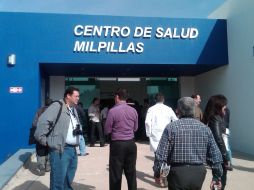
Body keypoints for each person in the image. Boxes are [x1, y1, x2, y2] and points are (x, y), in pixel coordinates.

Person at [153, 97, 224, 190]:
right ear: (194, 110)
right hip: (198, 173)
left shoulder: (171, 127)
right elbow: (215, 156)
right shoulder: (205, 129)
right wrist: (216, 176)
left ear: (178, 110)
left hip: (177, 173)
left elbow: (160, 154)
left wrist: (157, 173)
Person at [35, 86, 81, 190]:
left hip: (72, 150)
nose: (78, 98)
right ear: (68, 96)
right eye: (76, 96)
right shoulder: (57, 106)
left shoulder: (74, 109)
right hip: (60, 150)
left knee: (68, 181)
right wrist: (46, 141)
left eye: (79, 96)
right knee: (58, 183)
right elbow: (42, 122)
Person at [104, 88, 138, 190]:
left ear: (117, 97)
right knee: (131, 173)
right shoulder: (133, 110)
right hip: (131, 144)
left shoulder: (113, 111)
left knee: (116, 174)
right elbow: (135, 128)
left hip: (117, 144)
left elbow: (107, 130)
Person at [203, 94, 231, 190]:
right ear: (218, 106)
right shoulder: (215, 118)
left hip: (215, 154)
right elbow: (218, 138)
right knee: (220, 181)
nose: (226, 107)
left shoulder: (211, 117)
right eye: (224, 105)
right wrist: (226, 156)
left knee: (218, 179)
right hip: (218, 154)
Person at [32, 98, 52, 176]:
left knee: (40, 151)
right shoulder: (53, 112)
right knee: (49, 150)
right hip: (50, 135)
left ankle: (41, 168)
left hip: (40, 135)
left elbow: (34, 123)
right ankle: (48, 167)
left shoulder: (39, 111)